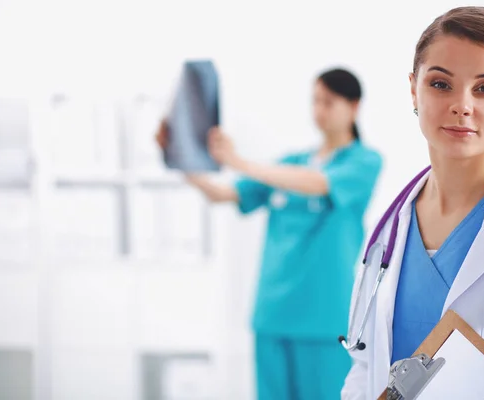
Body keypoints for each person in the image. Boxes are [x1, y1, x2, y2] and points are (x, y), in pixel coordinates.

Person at [341, 6, 484, 400]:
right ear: (414, 89)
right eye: (441, 84)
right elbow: (364, 366)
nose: (462, 105)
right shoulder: (387, 233)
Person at [156, 68, 382, 400]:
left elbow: (319, 184)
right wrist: (175, 157)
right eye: (316, 101)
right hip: (273, 314)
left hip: (323, 317)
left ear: (354, 107)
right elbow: (222, 194)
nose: (319, 110)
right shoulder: (291, 162)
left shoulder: (363, 162)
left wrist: (239, 161)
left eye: (329, 102)